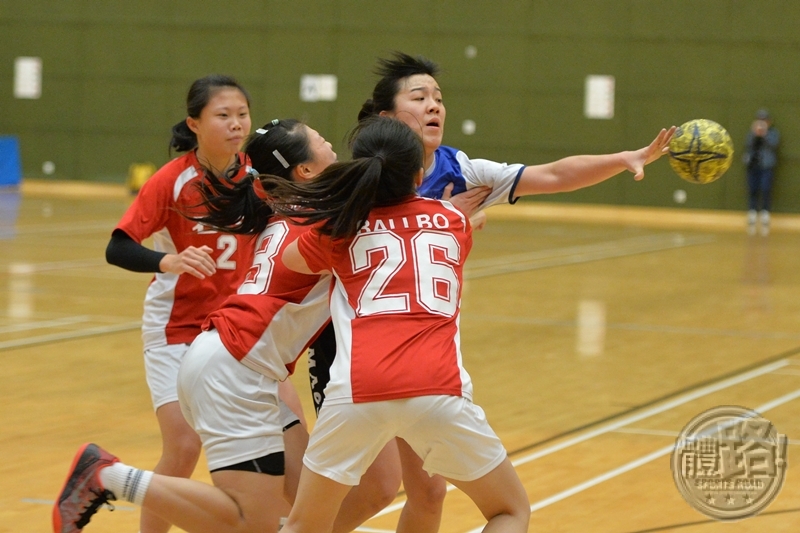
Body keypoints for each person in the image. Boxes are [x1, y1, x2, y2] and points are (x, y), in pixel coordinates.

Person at [304, 51, 677, 531]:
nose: (434, 105)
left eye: (439, 97)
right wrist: (445, 217)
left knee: (429, 493)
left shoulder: (460, 168)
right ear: (386, 118)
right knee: (378, 487)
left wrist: (623, 159)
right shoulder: (367, 176)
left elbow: (555, 174)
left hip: (414, 348)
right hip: (351, 345)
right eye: (419, 97)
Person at [53, 119, 338, 533]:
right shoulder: (320, 223)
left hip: (236, 363)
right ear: (305, 171)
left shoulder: (295, 210)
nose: (329, 142)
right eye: (321, 140)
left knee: (301, 497)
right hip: (232, 371)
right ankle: (106, 476)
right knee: (249, 521)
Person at [268, 116, 532, 533]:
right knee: (510, 511)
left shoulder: (340, 227)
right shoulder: (453, 221)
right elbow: (442, 228)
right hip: (437, 390)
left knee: (304, 526)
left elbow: (291, 262)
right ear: (419, 173)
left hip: (357, 392)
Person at [103, 74, 258, 533]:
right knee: (185, 446)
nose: (236, 124)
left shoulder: (259, 176)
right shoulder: (172, 182)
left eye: (242, 115)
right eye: (223, 116)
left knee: (276, 445)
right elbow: (118, 246)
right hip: (177, 330)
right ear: (194, 123)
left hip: (240, 330)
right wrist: (168, 259)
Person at [743, 108, 780, 236]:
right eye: (759, 119)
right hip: (753, 166)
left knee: (765, 188)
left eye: (764, 120)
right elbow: (747, 144)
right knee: (752, 189)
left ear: (769, 122)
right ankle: (752, 213)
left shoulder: (773, 133)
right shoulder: (752, 133)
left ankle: (765, 213)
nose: (761, 122)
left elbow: (774, 144)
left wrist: (764, 134)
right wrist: (755, 134)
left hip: (766, 166)